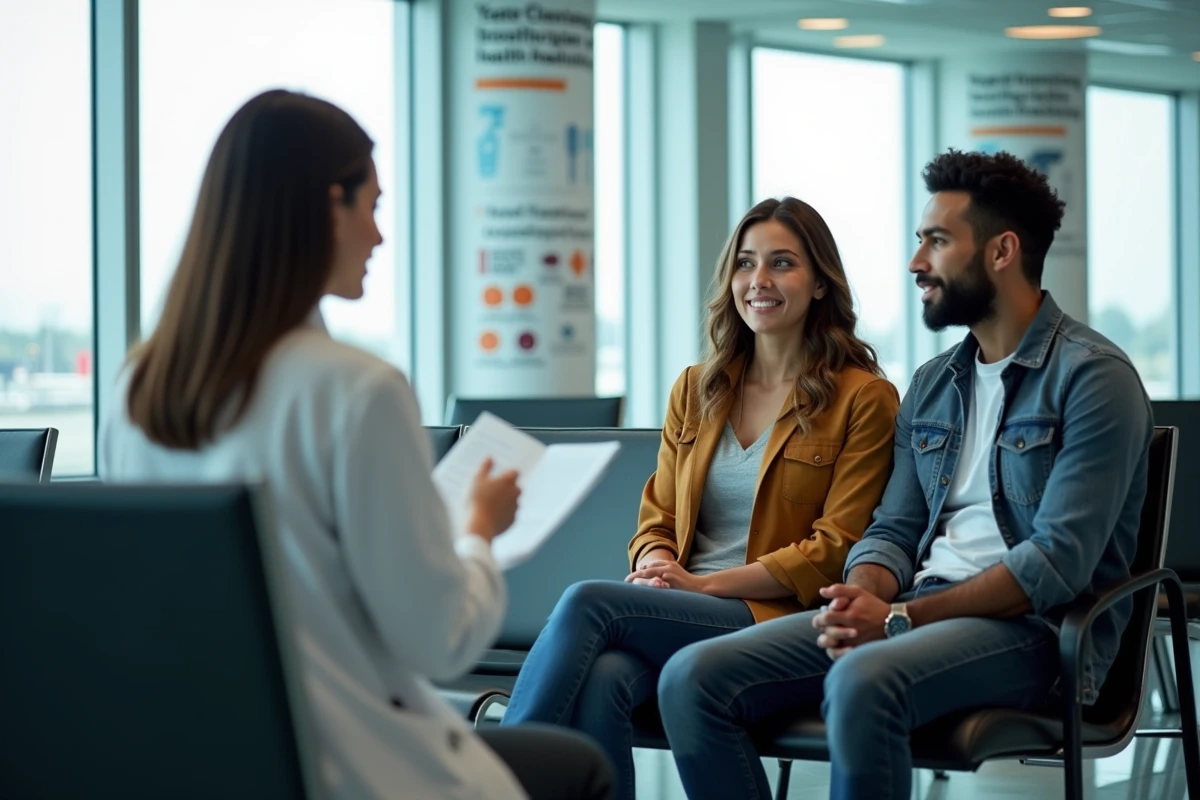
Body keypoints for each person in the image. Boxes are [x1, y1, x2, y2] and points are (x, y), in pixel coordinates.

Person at [99, 89, 613, 800]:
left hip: (207, 763)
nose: (378, 236)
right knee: (581, 771)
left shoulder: (134, 395)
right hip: (355, 768)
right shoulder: (358, 391)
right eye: (371, 207)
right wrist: (478, 530)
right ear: (326, 207)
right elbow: (441, 640)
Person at [655, 149, 1155, 799]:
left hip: (1036, 636)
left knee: (863, 681)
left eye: (937, 241)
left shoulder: (1093, 379)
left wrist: (898, 619)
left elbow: (1054, 565)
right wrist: (861, 595)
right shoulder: (935, 383)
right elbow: (893, 529)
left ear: (1002, 252)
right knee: (690, 678)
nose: (917, 261)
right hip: (913, 614)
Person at [499, 197, 900, 799]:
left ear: (820, 283)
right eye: (745, 263)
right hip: (680, 605)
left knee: (588, 601)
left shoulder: (863, 398)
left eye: (782, 263)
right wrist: (658, 566)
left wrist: (703, 586)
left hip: (775, 616)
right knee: (605, 677)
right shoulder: (697, 388)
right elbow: (656, 518)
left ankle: (493, 781)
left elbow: (834, 549)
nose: (758, 280)